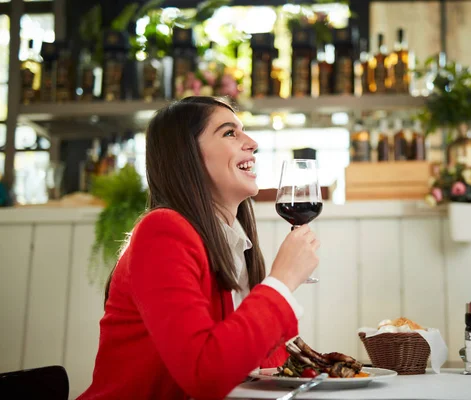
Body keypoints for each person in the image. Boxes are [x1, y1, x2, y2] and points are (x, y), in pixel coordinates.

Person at [78, 97, 320, 400]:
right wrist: (282, 283)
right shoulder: (161, 231)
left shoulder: (234, 244)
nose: (252, 143)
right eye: (230, 133)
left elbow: (265, 368)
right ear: (187, 155)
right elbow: (205, 375)